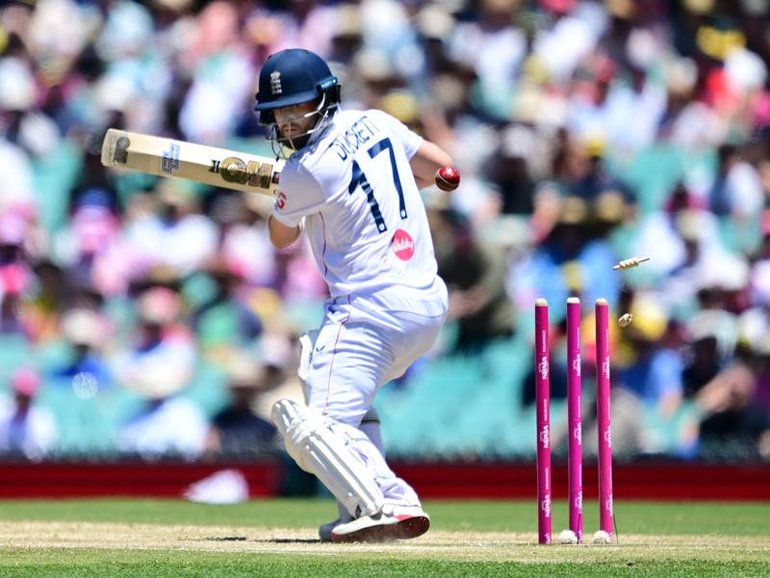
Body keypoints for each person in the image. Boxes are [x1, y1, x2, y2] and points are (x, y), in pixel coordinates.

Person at [253, 48, 455, 543]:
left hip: (369, 310)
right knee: (347, 407)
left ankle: (389, 501)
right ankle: (357, 508)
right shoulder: (378, 122)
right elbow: (441, 169)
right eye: (278, 113)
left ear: (325, 99)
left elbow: (280, 239)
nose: (287, 123)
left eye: (296, 108)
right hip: (427, 303)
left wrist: (283, 197)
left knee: (311, 426)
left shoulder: (306, 171)